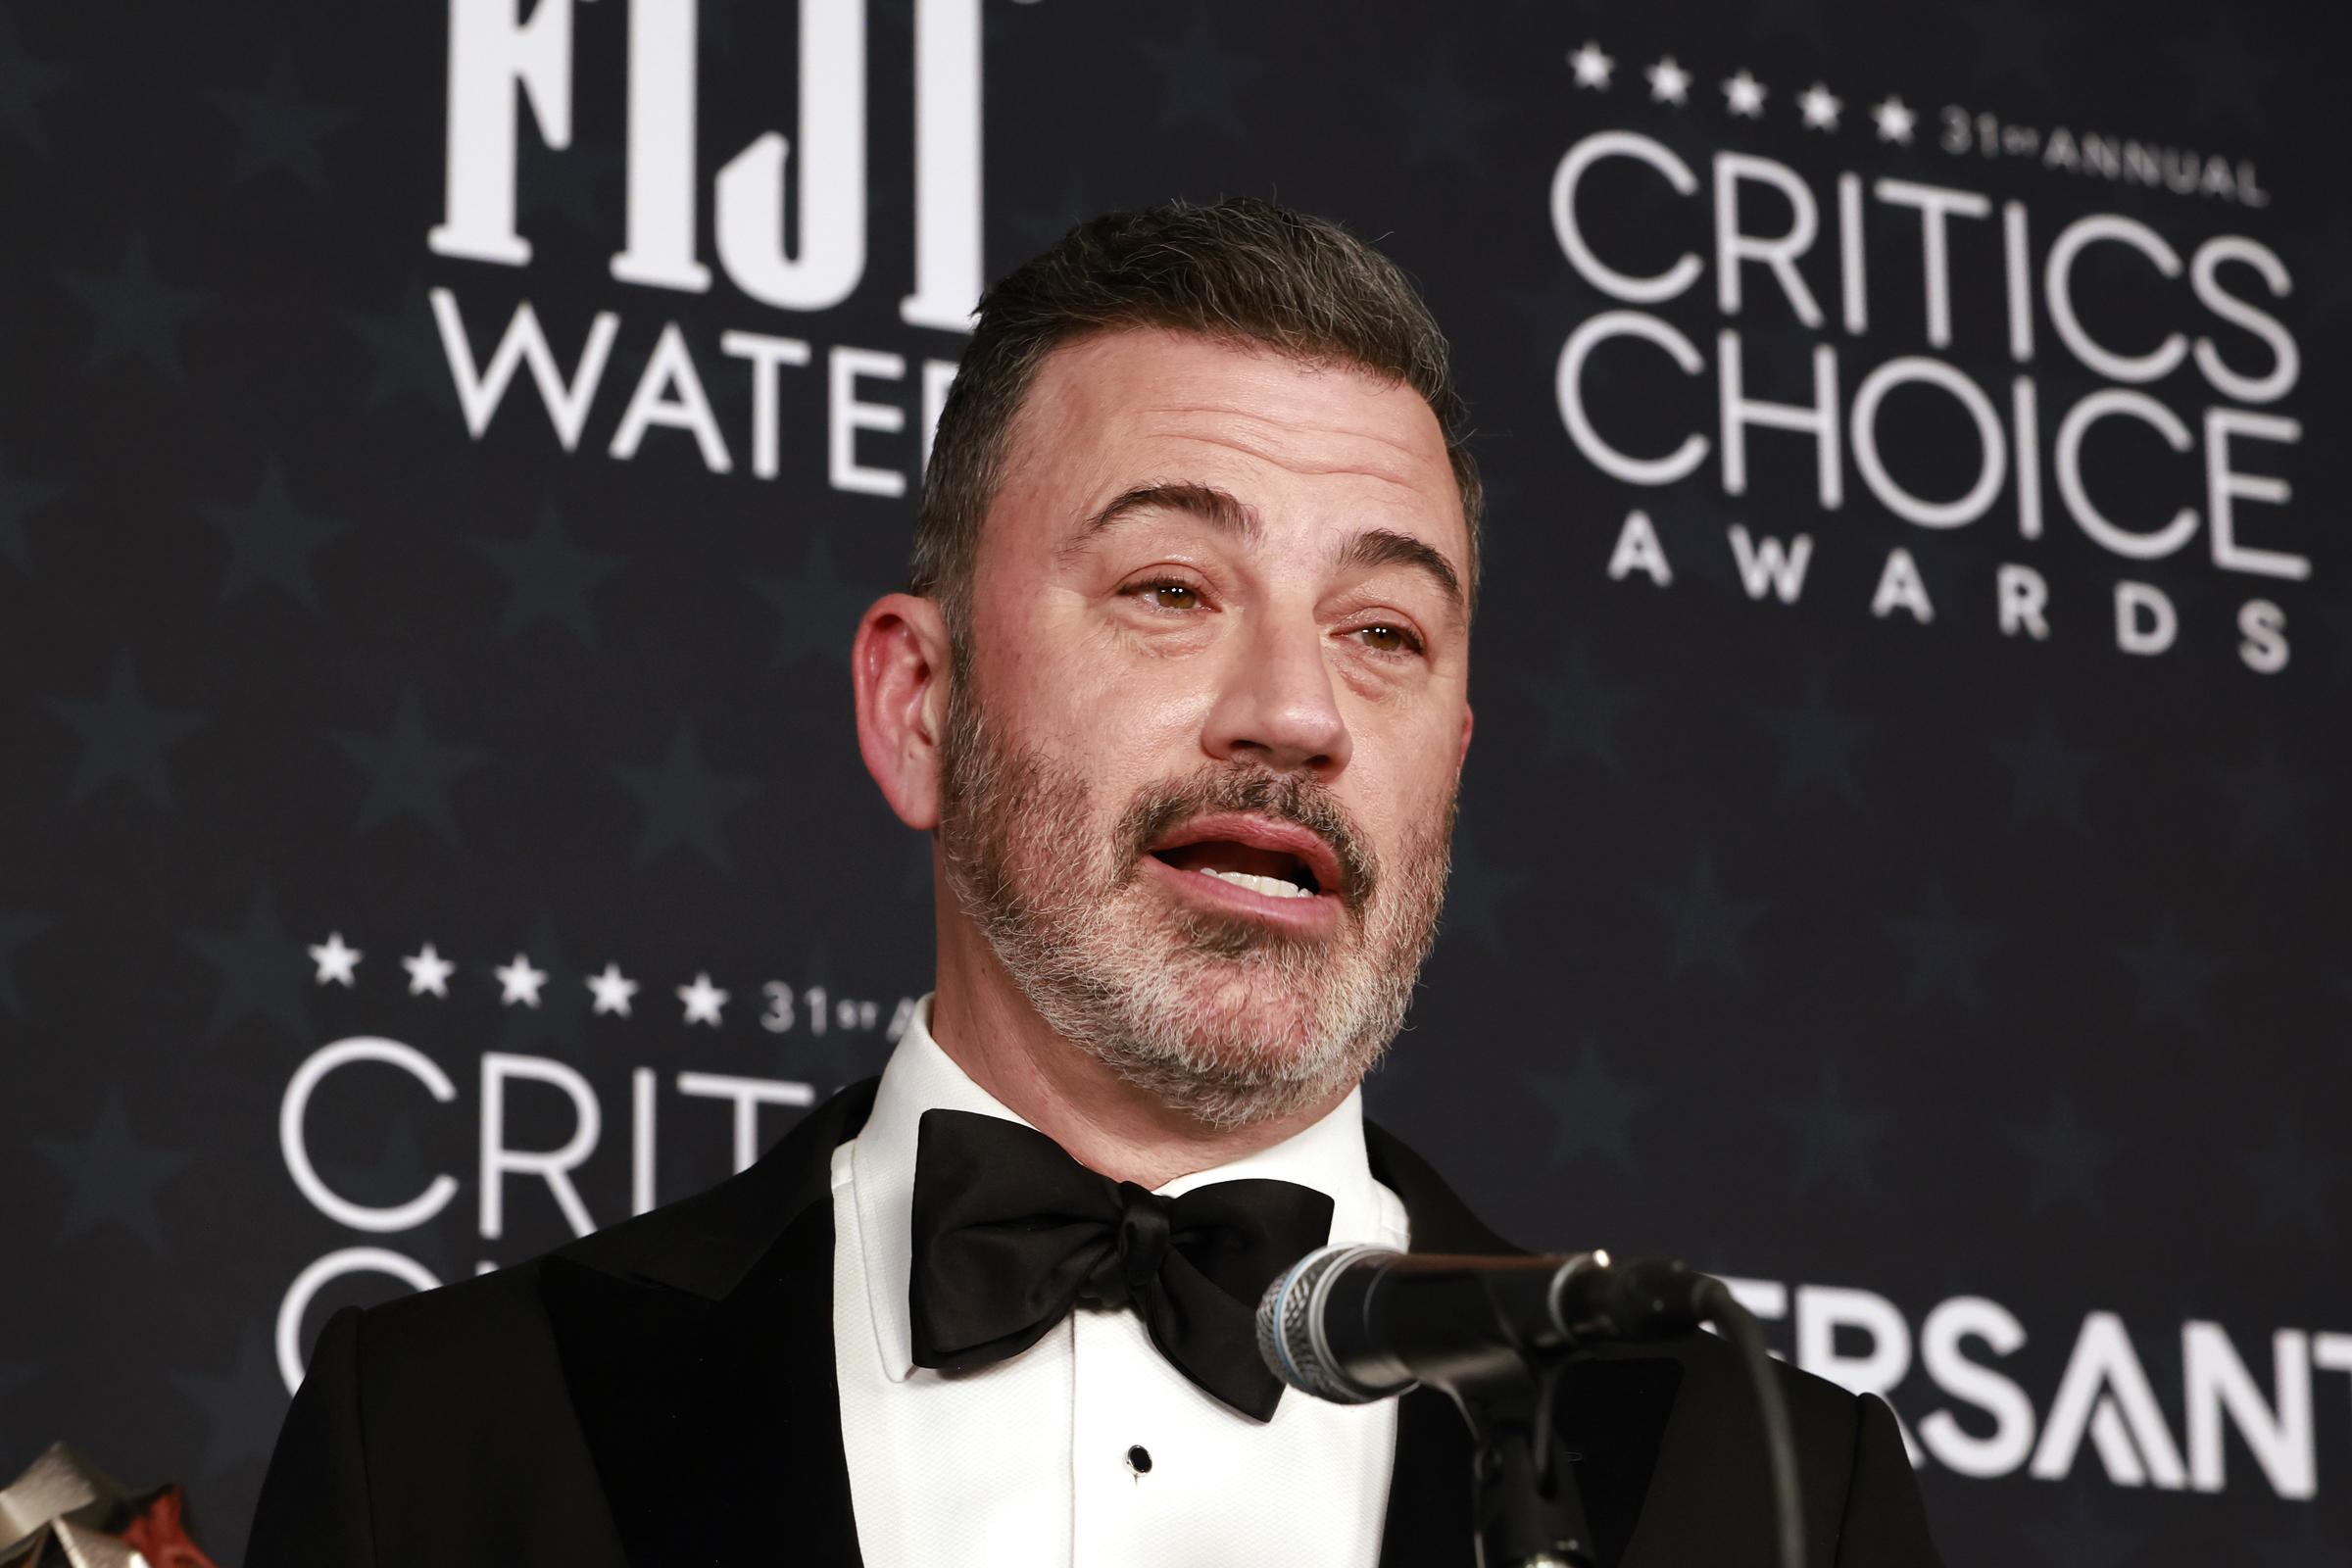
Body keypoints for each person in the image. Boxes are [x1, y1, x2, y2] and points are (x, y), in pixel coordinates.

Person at [247, 198, 1941, 1567]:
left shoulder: (1769, 1491)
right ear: (923, 707)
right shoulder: (451, 1434)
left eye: (1383, 630)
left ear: (1456, 757)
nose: (1295, 713)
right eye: (1170, 589)